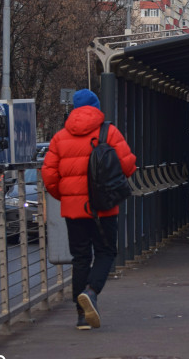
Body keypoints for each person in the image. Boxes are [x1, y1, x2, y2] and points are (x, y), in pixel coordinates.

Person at [41, 89, 136, 330]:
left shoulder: (60, 137)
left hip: (74, 211)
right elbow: (128, 166)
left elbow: (49, 176)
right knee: (106, 253)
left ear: (73, 108)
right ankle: (91, 292)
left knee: (81, 258)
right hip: (103, 207)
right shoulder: (109, 132)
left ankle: (81, 316)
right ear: (96, 107)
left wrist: (66, 197)